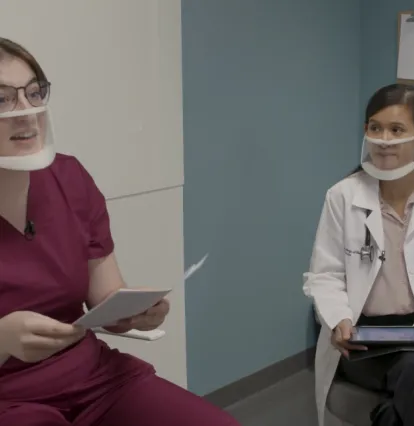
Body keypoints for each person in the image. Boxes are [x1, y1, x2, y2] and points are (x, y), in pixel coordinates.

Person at [0, 38, 239, 426]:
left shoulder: (69, 178)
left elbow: (104, 297)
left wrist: (133, 312)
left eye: (33, 93)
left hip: (91, 378)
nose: (27, 112)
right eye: (2, 99)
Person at [303, 84, 414, 426]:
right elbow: (325, 274)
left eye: (397, 130)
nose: (384, 140)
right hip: (362, 339)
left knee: (413, 373)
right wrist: (338, 318)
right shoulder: (342, 197)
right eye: (375, 128)